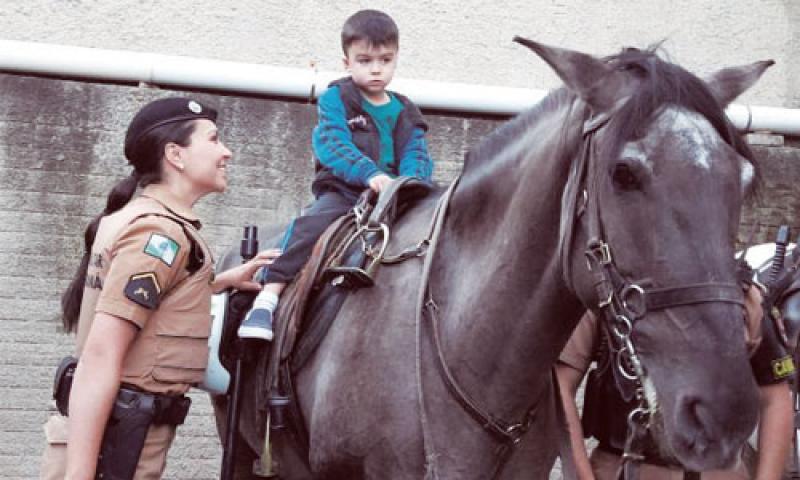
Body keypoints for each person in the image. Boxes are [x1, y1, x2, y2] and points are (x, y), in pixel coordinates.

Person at [39, 97, 280, 480]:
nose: (226, 152)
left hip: (117, 435)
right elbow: (100, 357)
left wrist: (220, 283)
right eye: (214, 140)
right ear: (176, 155)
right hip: (114, 444)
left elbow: (149, 300)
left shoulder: (144, 220)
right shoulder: (159, 235)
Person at [237, 8, 434, 340]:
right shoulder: (337, 99)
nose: (376, 69)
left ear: (396, 58)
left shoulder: (405, 110)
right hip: (345, 192)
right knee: (310, 225)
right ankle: (268, 297)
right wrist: (369, 174)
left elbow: (416, 151)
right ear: (347, 62)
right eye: (365, 60)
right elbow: (331, 143)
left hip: (395, 196)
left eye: (385, 60)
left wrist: (409, 182)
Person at [556, 285, 794, 480]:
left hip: (718, 472)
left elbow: (774, 398)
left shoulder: (740, 292)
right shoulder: (605, 288)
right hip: (623, 469)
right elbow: (560, 386)